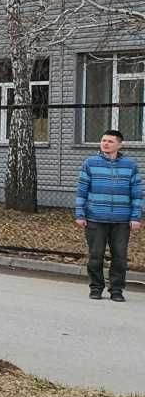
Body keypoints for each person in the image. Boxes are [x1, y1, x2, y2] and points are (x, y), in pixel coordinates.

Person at [75, 129, 143, 301]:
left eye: (110, 141)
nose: (105, 143)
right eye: (103, 140)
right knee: (95, 256)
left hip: (121, 221)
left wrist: (135, 217)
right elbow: (82, 191)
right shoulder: (90, 163)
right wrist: (80, 214)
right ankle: (96, 288)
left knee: (119, 257)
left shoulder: (130, 166)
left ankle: (117, 290)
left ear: (119, 145)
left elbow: (136, 194)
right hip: (95, 219)